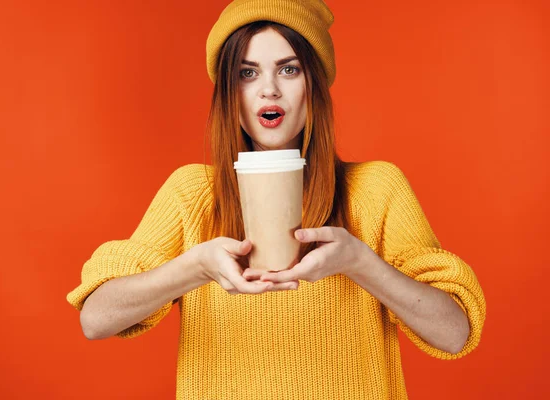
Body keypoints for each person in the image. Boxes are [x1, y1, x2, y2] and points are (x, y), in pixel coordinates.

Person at [66, 1, 486, 398]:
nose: (269, 90)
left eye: (289, 70)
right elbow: (96, 318)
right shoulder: (192, 193)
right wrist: (194, 268)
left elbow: (454, 334)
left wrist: (359, 262)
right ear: (230, 93)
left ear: (314, 86)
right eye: (247, 74)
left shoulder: (376, 189)